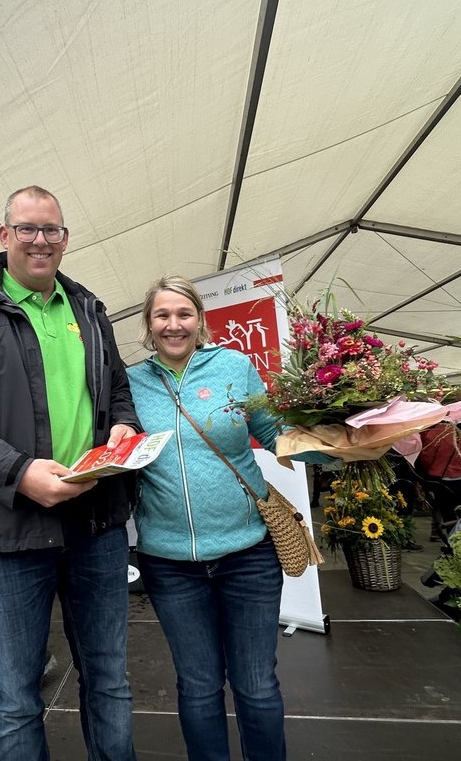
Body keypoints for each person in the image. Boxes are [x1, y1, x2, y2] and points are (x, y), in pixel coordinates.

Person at [0, 185, 140, 761]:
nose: (40, 240)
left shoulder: (88, 309)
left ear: (65, 238)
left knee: (109, 679)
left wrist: (123, 425)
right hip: (8, 528)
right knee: (16, 695)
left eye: (51, 230)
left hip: (96, 521)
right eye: (28, 228)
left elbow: (117, 388)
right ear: (4, 234)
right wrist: (19, 473)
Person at [124, 275, 286, 761]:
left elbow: (275, 433)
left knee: (257, 685)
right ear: (148, 324)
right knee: (197, 687)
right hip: (169, 563)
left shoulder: (234, 366)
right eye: (162, 315)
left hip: (248, 555)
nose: (173, 325)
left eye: (184, 314)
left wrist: (344, 445)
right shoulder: (130, 383)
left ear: (200, 320)